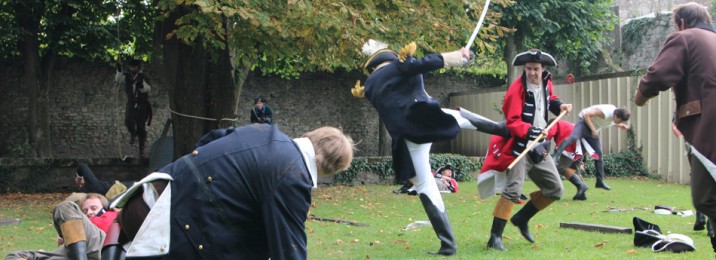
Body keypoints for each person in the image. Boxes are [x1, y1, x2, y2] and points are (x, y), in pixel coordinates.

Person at [106, 124, 353, 259]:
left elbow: (206, 142)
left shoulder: (261, 131)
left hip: (140, 202)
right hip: (160, 228)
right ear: (330, 169)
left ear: (311, 136)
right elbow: (289, 251)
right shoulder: (292, 176)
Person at [355, 39, 506, 255]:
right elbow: (426, 63)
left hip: (407, 139)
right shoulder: (399, 65)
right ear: (390, 56)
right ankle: (504, 130)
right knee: (460, 117)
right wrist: (459, 56)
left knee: (425, 186)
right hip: (423, 120)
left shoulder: (369, 86)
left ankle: (448, 243)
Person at [633, 2, 716, 252]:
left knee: (705, 197)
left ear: (681, 23)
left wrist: (640, 96)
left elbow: (657, 76)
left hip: (709, 130)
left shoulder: (685, 38)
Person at [482, 49, 572, 251]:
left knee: (555, 189)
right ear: (524, 68)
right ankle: (494, 238)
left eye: (536, 69)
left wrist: (561, 106)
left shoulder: (546, 82)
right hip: (519, 148)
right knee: (513, 190)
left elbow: (551, 99)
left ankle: (522, 219)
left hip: (540, 148)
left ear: (543, 69)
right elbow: (512, 121)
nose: (532, 73)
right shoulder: (516, 89)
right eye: (529, 69)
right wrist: (530, 131)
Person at [4, 193, 118, 260]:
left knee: (65, 206)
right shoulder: (78, 227)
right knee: (14, 256)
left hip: (102, 247)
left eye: (94, 208)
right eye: (85, 210)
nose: (89, 212)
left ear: (105, 209)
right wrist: (69, 233)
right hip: (73, 253)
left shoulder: (111, 216)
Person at [549, 104, 630, 191]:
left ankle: (600, 181)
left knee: (598, 154)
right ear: (616, 115)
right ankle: (555, 155)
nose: (619, 122)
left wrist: (619, 125)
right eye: (619, 121)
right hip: (583, 123)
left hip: (591, 130)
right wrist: (593, 129)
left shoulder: (614, 118)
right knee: (573, 137)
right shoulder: (605, 112)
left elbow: (609, 122)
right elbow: (586, 115)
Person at [115, 59, 153, 157]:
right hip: (131, 104)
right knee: (128, 121)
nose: (133, 68)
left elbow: (148, 88)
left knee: (141, 128)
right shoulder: (126, 76)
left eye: (135, 67)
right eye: (131, 67)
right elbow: (118, 79)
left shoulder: (143, 77)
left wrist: (141, 85)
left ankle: (141, 148)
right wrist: (119, 68)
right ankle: (133, 133)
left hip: (142, 105)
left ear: (138, 67)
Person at [546, 119, 590, 200]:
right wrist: (584, 159)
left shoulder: (555, 123)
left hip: (572, 145)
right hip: (583, 145)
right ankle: (581, 193)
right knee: (573, 170)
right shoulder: (568, 124)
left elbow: (550, 133)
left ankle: (581, 186)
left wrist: (545, 142)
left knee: (562, 168)